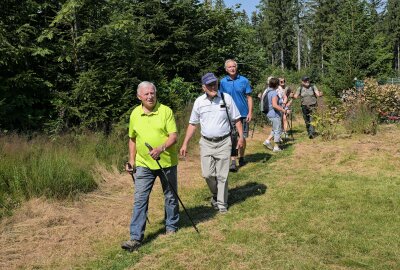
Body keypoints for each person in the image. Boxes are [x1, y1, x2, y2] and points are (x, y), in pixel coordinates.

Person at [121, 81, 179, 252]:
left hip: (166, 162)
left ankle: (171, 227)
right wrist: (131, 160)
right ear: (139, 96)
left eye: (152, 93)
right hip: (144, 164)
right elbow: (132, 138)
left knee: (170, 195)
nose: (150, 96)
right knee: (140, 199)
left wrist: (161, 148)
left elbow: (173, 136)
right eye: (146, 94)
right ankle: (135, 238)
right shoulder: (135, 114)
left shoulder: (165, 111)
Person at [180, 72, 244, 214]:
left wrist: (241, 137)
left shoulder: (226, 98)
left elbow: (237, 119)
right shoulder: (199, 102)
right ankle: (216, 194)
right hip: (206, 143)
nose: (213, 87)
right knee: (207, 174)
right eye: (209, 85)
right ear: (204, 87)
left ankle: (222, 204)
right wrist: (185, 143)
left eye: (215, 83)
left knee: (222, 175)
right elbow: (192, 124)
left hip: (224, 142)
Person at [220, 59, 252, 171]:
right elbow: (221, 98)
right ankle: (233, 161)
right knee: (232, 138)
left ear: (236, 67)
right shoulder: (223, 82)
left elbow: (249, 98)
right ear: (226, 69)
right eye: (229, 67)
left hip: (243, 113)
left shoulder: (244, 80)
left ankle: (242, 157)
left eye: (234, 66)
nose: (232, 68)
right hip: (229, 115)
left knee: (242, 137)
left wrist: (250, 112)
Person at [262, 77, 288, 152]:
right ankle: (276, 147)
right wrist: (284, 110)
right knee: (277, 130)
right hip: (274, 114)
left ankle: (267, 141)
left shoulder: (268, 91)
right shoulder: (274, 93)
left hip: (269, 113)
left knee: (274, 129)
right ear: (277, 84)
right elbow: (274, 105)